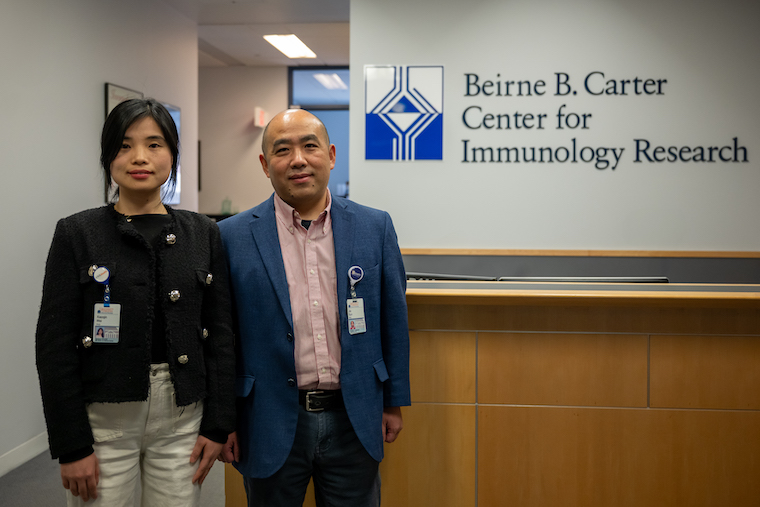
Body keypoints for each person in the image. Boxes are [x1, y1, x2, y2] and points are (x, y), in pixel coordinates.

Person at [35, 98, 235, 506]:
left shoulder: (203, 233)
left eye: (154, 144)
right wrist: (72, 445)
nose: (139, 157)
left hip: (182, 414)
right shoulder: (78, 233)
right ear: (108, 156)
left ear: (173, 155)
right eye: (124, 146)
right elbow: (53, 346)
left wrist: (218, 425)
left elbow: (222, 336)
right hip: (104, 416)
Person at [218, 109, 411, 506]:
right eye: (283, 150)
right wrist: (221, 420)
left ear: (332, 154)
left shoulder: (374, 227)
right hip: (267, 418)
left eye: (310, 146)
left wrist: (393, 401)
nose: (298, 159)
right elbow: (223, 337)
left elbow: (393, 320)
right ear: (264, 164)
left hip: (354, 415)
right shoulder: (230, 236)